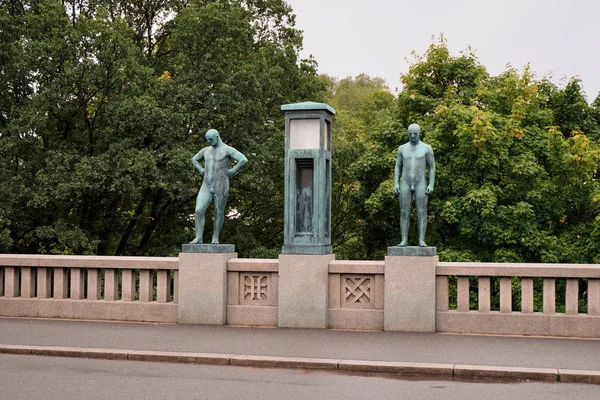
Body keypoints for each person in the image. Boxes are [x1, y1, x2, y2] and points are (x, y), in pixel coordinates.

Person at [190, 129, 248, 244]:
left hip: (221, 184)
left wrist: (233, 170)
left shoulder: (227, 150)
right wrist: (201, 170)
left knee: (219, 211)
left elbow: (243, 160)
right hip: (206, 184)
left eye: (211, 139)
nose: (209, 142)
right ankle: (198, 237)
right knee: (199, 210)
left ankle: (215, 238)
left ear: (217, 136)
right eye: (207, 140)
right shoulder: (206, 150)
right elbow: (194, 159)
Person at [393, 123, 435, 247]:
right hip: (405, 182)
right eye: (410, 134)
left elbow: (432, 167)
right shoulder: (402, 148)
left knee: (421, 211)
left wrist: (431, 184)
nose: (412, 136)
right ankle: (404, 239)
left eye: (415, 134)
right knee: (404, 212)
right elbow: (397, 166)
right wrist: (396, 182)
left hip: (420, 182)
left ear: (419, 133)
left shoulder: (427, 148)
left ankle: (421, 240)